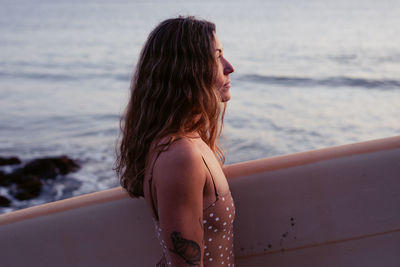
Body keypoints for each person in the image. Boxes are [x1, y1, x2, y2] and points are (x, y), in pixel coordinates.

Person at [115, 16, 235, 267]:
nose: (229, 66)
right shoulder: (181, 156)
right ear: (189, 70)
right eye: (217, 57)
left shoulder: (186, 142)